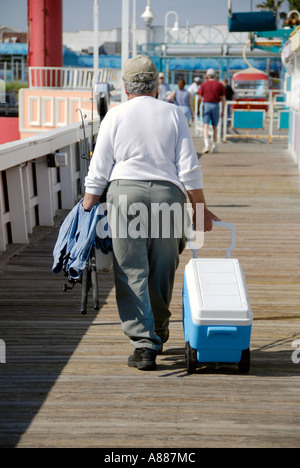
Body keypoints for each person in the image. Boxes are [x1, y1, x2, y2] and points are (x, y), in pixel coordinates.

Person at [82, 55, 219, 371]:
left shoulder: (115, 116)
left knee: (131, 268)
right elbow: (189, 168)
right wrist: (200, 210)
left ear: (126, 86)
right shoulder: (173, 113)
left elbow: (99, 169)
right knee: (162, 266)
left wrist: (86, 207)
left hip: (126, 195)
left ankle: (144, 346)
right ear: (157, 84)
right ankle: (157, 332)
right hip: (167, 194)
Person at [197, 68, 226, 154]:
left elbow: (199, 98)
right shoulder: (219, 85)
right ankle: (214, 146)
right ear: (215, 75)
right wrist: (223, 111)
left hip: (206, 105)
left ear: (207, 76)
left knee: (205, 125)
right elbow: (223, 99)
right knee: (215, 126)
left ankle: (206, 145)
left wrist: (198, 109)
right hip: (215, 105)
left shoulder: (203, 85)